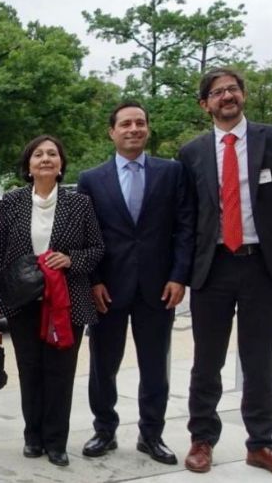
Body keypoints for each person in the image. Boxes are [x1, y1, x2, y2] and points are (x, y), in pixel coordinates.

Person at [76, 101, 194, 465]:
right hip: (108, 288)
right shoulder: (91, 179)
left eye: (140, 123)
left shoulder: (172, 172)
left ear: (147, 129)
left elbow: (185, 227)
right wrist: (93, 280)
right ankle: (104, 429)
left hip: (158, 287)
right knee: (103, 365)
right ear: (111, 132)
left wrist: (178, 276)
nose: (133, 129)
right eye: (125, 124)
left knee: (155, 365)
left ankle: (151, 434)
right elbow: (85, 235)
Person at [178, 68, 272, 475]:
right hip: (213, 267)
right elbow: (187, 218)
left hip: (263, 267)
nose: (227, 96)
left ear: (243, 95)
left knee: (259, 361)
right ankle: (202, 439)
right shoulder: (192, 153)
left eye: (232, 89)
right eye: (217, 92)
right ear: (205, 104)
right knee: (207, 361)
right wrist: (180, 273)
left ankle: (261, 443)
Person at [0, 135, 103, 467]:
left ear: (61, 164)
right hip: (24, 303)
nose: (45, 159)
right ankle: (33, 437)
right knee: (30, 371)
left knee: (60, 373)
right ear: (28, 165)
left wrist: (70, 260)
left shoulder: (79, 203)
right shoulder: (12, 202)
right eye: (38, 154)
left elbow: (97, 248)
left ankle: (56, 442)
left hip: (67, 302)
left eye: (52, 154)